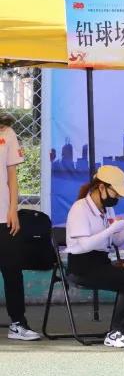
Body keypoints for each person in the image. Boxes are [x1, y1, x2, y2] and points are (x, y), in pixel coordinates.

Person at [65, 165, 124, 348]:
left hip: (101, 263)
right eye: (116, 193)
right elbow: (84, 246)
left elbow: (116, 241)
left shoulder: (107, 210)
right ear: (101, 187)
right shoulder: (80, 208)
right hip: (82, 267)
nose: (117, 198)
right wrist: (111, 229)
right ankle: (117, 332)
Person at [0, 114, 38, 341]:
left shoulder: (7, 133)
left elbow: (12, 176)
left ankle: (18, 323)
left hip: (3, 216)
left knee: (12, 270)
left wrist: (13, 209)